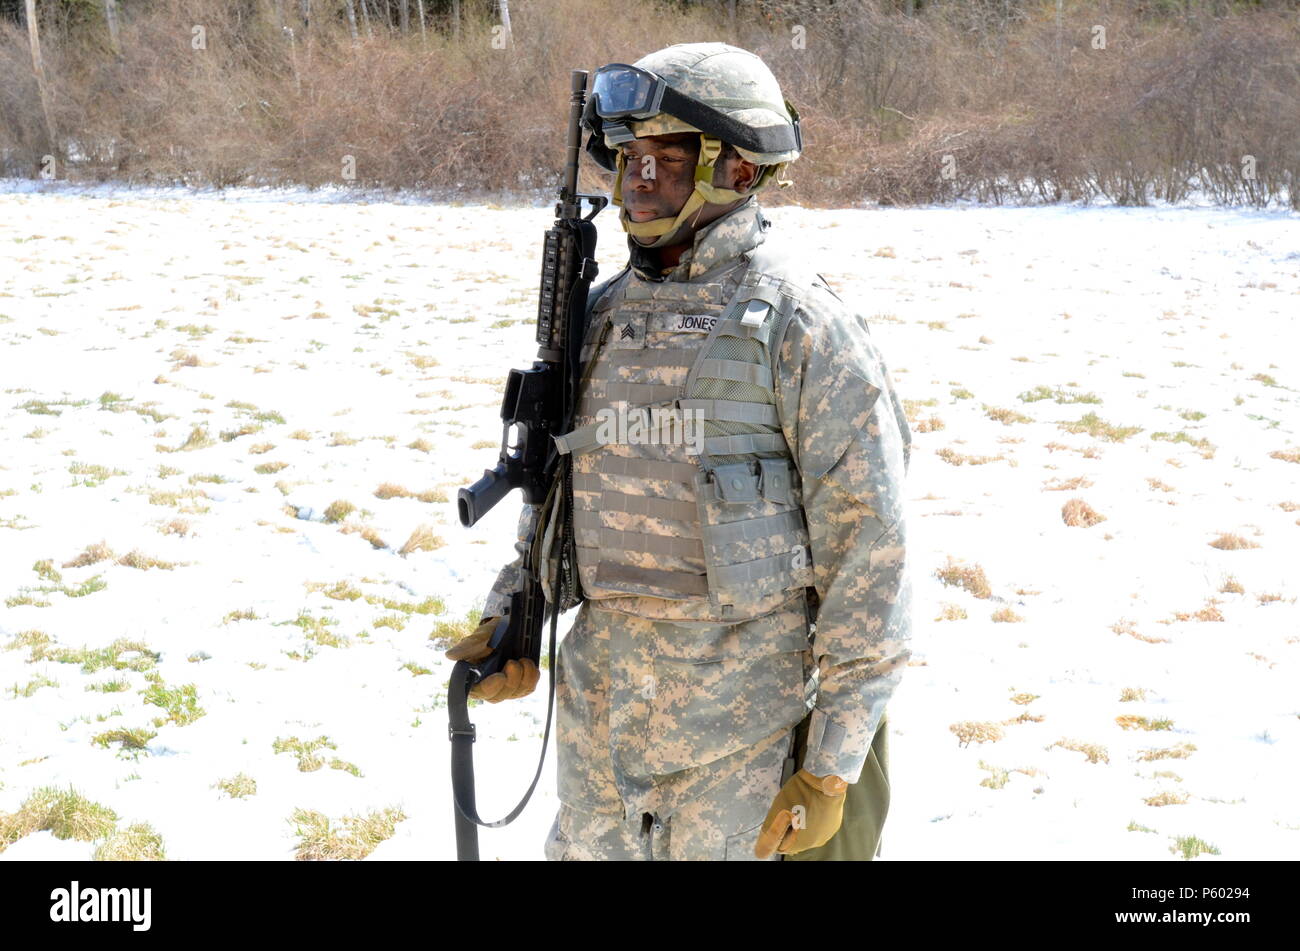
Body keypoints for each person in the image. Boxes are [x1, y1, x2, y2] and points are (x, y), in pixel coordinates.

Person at [446, 42, 912, 861]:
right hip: (600, 758)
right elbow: (562, 500)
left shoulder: (802, 329)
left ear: (737, 171)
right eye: (628, 157)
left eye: (667, 158)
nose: (638, 179)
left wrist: (833, 765)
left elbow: (870, 560)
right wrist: (515, 611)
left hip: (744, 765)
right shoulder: (596, 320)